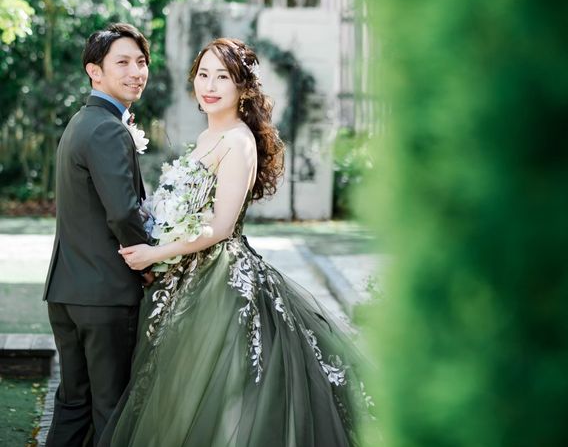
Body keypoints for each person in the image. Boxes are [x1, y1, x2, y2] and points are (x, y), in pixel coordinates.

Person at [100, 38, 371, 447]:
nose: (209, 86)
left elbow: (222, 227)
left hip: (221, 282)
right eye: (203, 74)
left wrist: (156, 252)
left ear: (243, 87)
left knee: (222, 392)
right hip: (186, 277)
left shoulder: (238, 141)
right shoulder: (208, 136)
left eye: (222, 77)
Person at [43, 23, 153, 447]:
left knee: (74, 405)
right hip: (105, 295)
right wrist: (146, 261)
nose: (135, 72)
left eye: (141, 62)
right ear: (95, 71)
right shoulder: (107, 128)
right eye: (122, 62)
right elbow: (122, 212)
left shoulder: (80, 122)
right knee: (111, 411)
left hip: (67, 292)